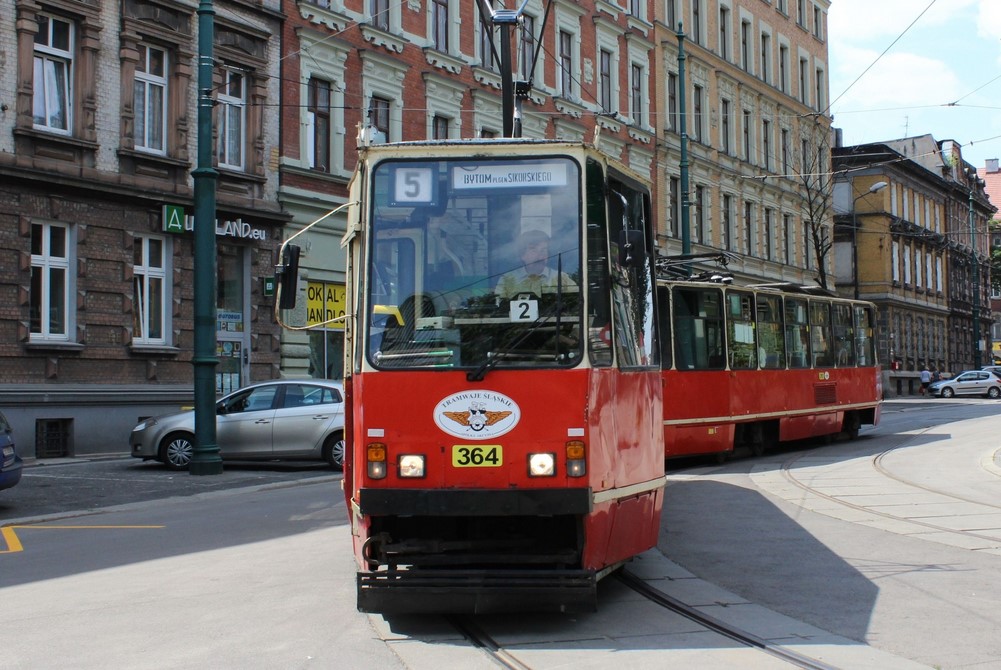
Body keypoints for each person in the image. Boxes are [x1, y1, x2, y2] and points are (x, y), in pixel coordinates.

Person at [496, 229, 576, 299]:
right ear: (522, 255)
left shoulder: (562, 279)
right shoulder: (507, 280)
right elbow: (497, 308)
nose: (540, 254)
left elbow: (576, 302)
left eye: (544, 250)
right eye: (533, 249)